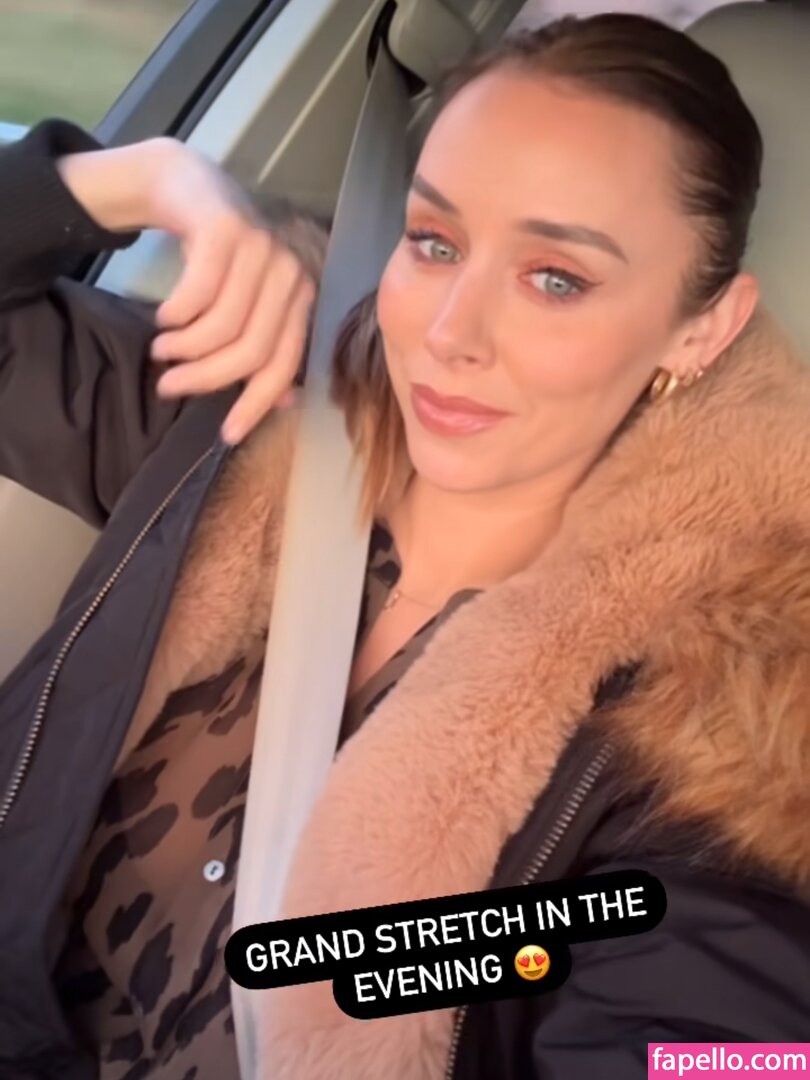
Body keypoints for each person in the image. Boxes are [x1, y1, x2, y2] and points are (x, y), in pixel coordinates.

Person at [1, 12, 809, 1080]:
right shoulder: (241, 415)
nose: (448, 332)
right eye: (434, 243)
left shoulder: (727, 715)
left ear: (700, 330)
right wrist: (146, 180)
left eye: (556, 278)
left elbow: (722, 1043)